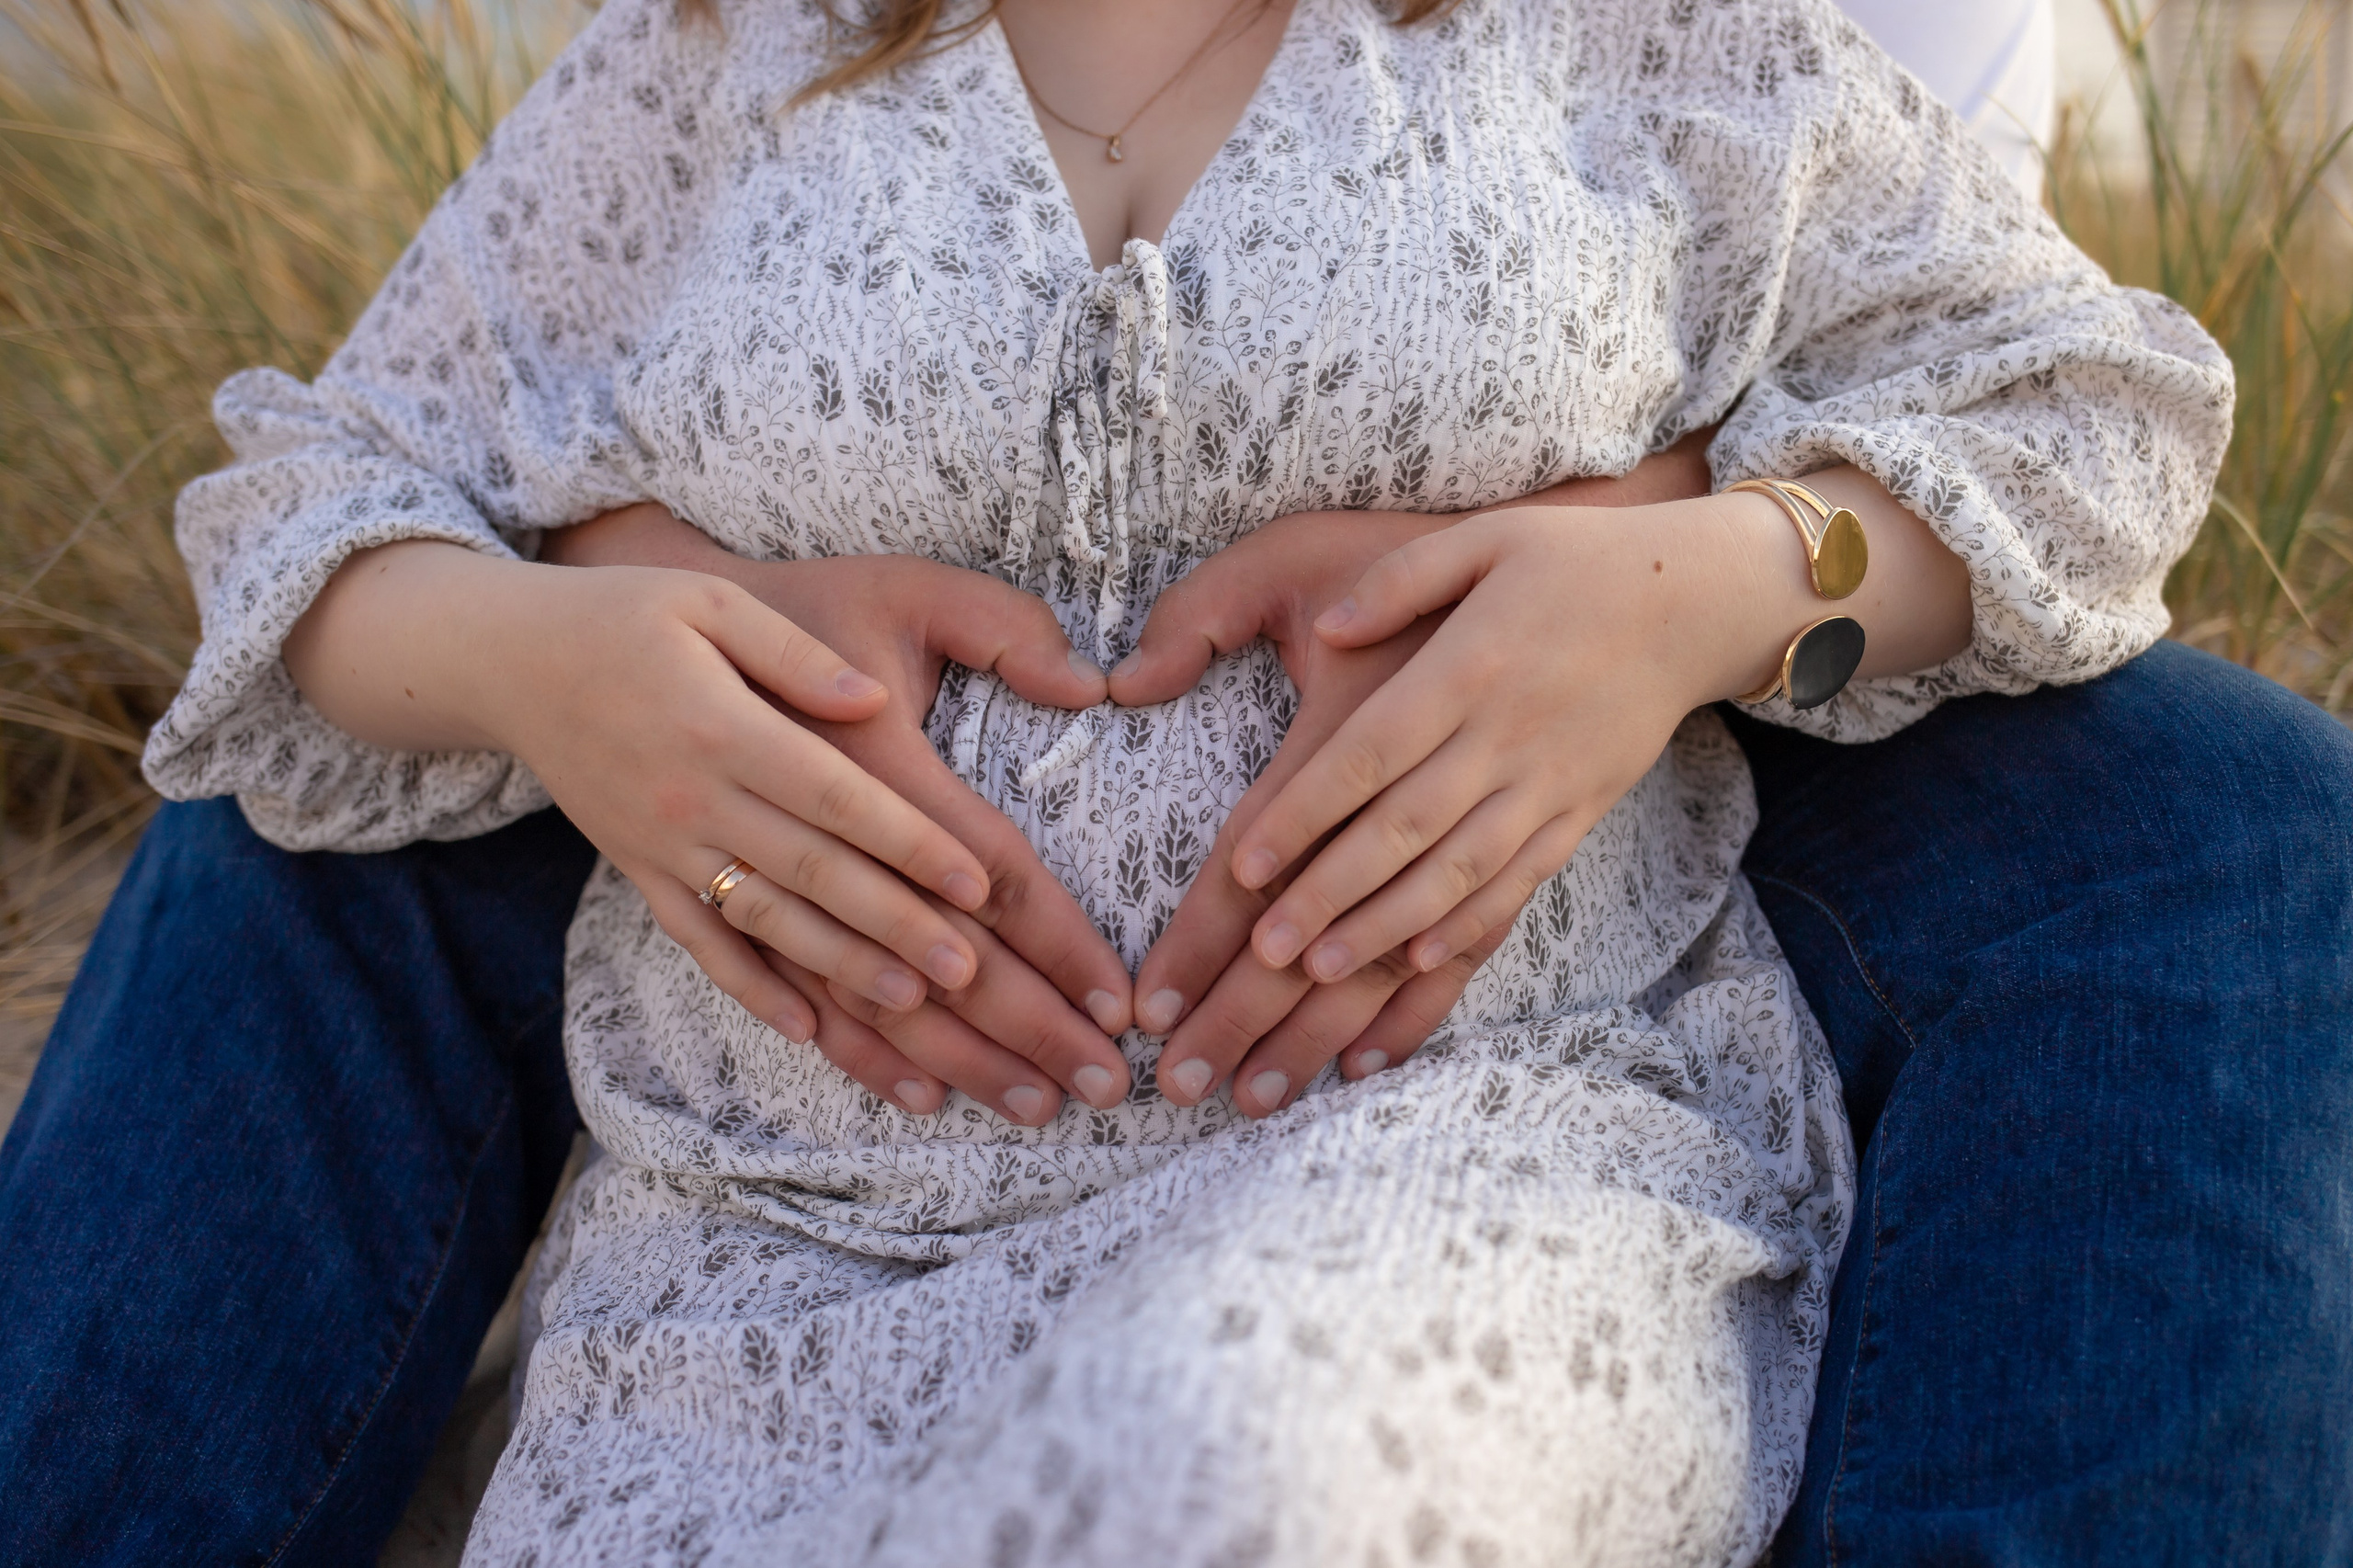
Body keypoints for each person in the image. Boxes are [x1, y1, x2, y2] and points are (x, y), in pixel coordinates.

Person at [0, 2, 2344, 1566]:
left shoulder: (1639, 31)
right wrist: (547, 659)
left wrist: (1709, 585)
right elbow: (310, 506)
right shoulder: (726, 51)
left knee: (1216, 1483)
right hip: (761, 1269)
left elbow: (2085, 400)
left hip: (1447, 1162)